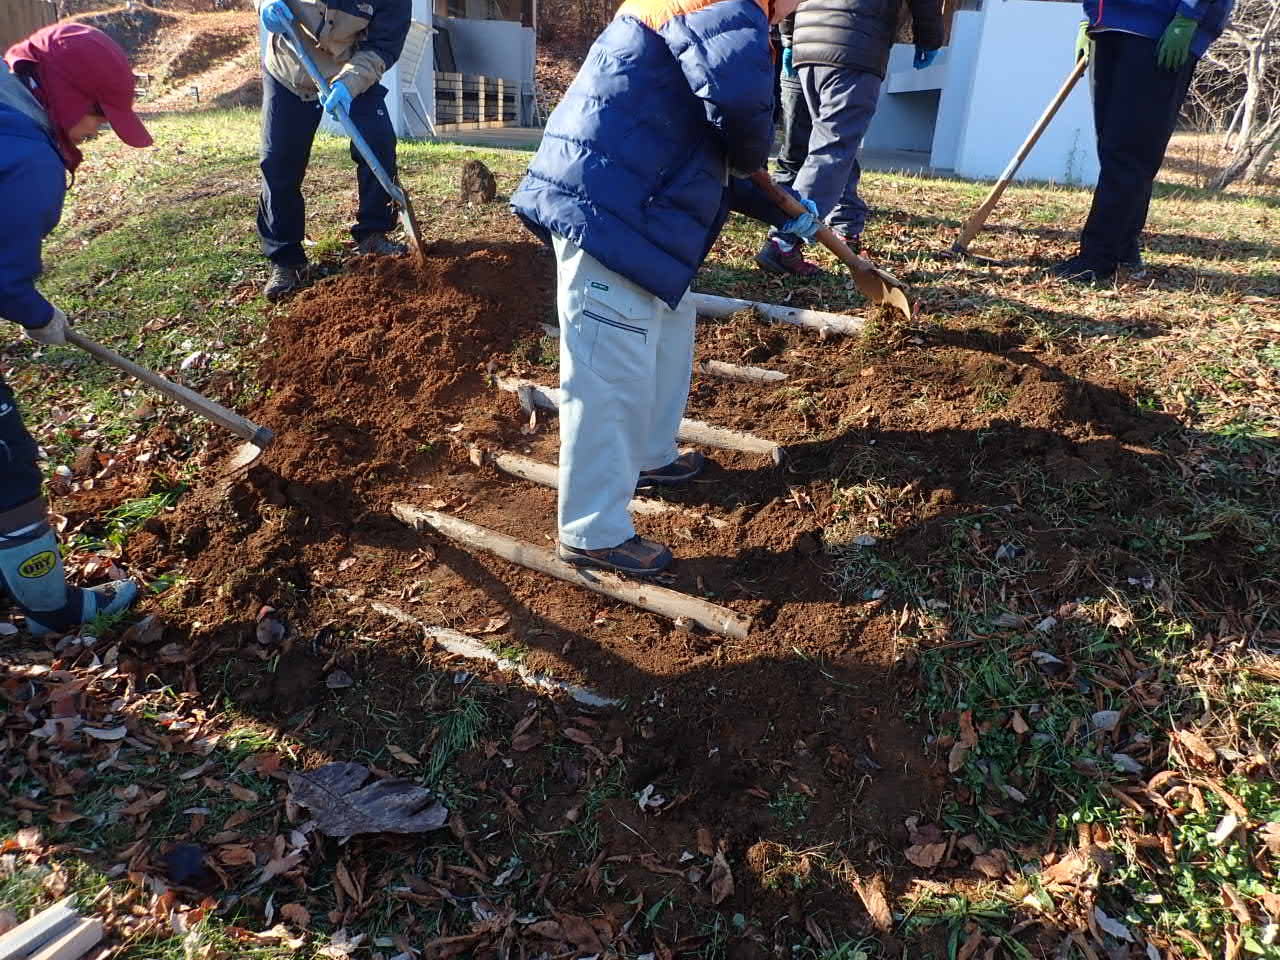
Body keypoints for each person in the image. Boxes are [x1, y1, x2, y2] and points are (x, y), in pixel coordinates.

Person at [511, 0, 819, 577]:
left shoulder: (717, 21)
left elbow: (717, 149)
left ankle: (652, 455)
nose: (796, 9)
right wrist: (760, 151)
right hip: (607, 210)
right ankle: (591, 531)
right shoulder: (727, 7)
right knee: (610, 372)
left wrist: (784, 209)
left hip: (640, 206)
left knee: (668, 340)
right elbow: (740, 119)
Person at [1, 23, 150, 635]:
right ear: (63, 94)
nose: (99, 132)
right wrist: (40, 317)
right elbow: (3, 279)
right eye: (97, 115)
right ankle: (51, 612)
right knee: (8, 470)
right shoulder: (30, 160)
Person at [757, 0, 945, 275]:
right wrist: (929, 40)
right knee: (833, 147)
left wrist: (789, 37)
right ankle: (784, 241)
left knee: (834, 141)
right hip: (856, 45)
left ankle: (845, 224)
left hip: (809, 45)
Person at [1056, 0, 1235, 283]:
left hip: (1161, 26)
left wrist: (1189, 15)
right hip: (1106, 24)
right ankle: (1122, 250)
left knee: (1129, 152)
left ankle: (1097, 260)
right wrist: (1088, 17)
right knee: (1113, 148)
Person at [255, 0, 411, 302]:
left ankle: (373, 235)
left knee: (378, 145)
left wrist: (349, 85)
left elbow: (382, 47)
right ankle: (287, 260)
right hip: (290, 66)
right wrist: (263, 5)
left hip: (350, 68)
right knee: (279, 161)